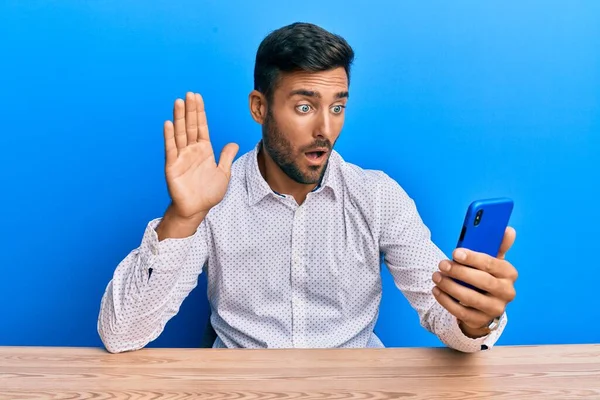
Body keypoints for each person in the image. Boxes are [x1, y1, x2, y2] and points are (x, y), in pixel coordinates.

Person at [97, 22, 518, 353]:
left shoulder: (376, 195)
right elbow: (120, 334)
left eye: (338, 107)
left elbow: (443, 316)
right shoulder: (215, 200)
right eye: (304, 107)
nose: (325, 129)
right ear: (259, 108)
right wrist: (184, 217)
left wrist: (473, 319)